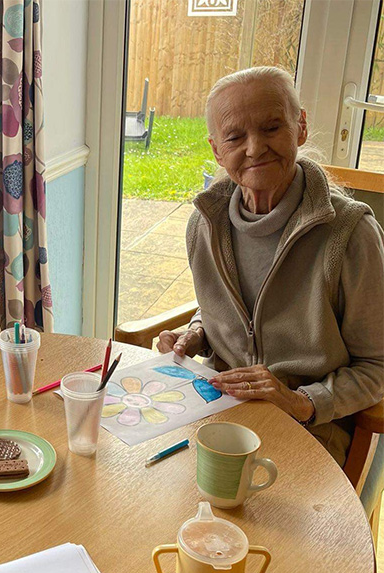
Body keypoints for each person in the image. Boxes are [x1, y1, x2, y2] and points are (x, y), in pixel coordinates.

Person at [157, 66, 384, 473]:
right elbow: (232, 310)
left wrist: (301, 402)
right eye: (234, 137)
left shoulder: (351, 234)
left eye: (272, 127)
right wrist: (198, 332)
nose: (255, 148)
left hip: (311, 432)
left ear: (301, 127)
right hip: (217, 412)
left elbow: (377, 366)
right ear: (216, 150)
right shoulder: (204, 224)